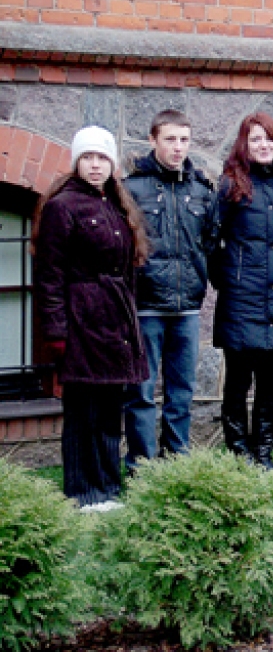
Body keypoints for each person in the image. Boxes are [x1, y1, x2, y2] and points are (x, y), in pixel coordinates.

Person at [33, 127, 150, 510]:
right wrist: (57, 331)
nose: (95, 165)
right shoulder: (61, 207)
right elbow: (49, 276)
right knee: (84, 412)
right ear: (77, 162)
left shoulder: (115, 204)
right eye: (88, 157)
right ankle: (83, 493)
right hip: (81, 321)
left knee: (109, 410)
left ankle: (108, 488)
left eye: (102, 158)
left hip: (114, 323)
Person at [123, 109, 218, 471]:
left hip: (187, 309)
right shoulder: (131, 189)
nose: (178, 147)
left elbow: (211, 242)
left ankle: (176, 464)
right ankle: (142, 468)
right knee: (142, 393)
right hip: (146, 307)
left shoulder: (201, 190)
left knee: (182, 393)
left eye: (184, 140)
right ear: (153, 140)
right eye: (170, 139)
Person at [211, 113, 273, 468]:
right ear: (244, 145)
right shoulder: (229, 185)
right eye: (255, 139)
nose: (263, 145)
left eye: (268, 139)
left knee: (269, 385)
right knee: (237, 384)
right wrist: (228, 278)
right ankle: (239, 455)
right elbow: (212, 239)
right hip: (241, 303)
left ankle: (264, 455)